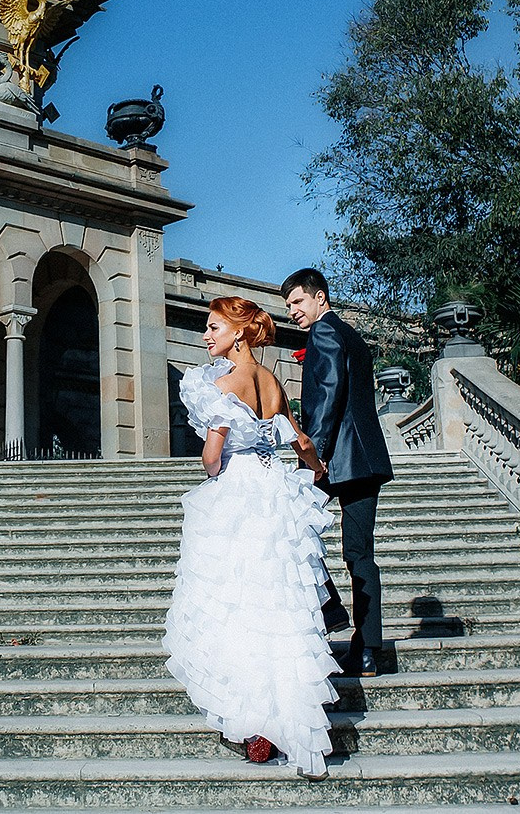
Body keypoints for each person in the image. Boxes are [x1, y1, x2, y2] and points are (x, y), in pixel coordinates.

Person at [163, 296, 339, 777]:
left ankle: (252, 723)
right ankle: (289, 721)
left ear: (238, 333)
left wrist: (214, 466)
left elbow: (211, 457)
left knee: (236, 601)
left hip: (240, 490)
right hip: (276, 489)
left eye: (214, 327)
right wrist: (317, 472)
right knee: (279, 603)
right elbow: (301, 442)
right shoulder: (272, 381)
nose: (206, 336)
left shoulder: (224, 384)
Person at [284, 267, 397, 677]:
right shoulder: (353, 336)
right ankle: (367, 650)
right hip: (366, 460)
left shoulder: (325, 332)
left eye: (298, 301)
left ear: (320, 298)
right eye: (289, 305)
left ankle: (331, 609)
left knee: (289, 524)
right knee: (359, 555)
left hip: (336, 458)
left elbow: (329, 394)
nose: (294, 311)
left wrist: (317, 456)